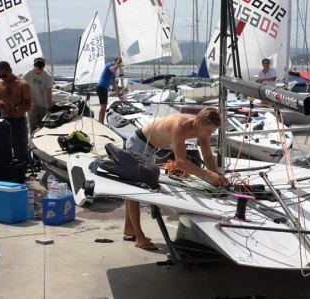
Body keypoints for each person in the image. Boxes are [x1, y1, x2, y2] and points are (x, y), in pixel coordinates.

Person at [123, 107, 227, 250]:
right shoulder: (178, 126)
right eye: (208, 131)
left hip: (151, 147)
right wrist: (209, 174)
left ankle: (129, 230)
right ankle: (139, 238)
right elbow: (181, 162)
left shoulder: (201, 126)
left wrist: (217, 178)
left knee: (136, 190)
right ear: (198, 123)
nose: (209, 135)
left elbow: (208, 156)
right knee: (135, 191)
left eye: (212, 132)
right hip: (139, 143)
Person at [0, 61, 32, 161]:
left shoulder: (23, 85)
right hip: (3, 121)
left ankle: (22, 173)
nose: (3, 78)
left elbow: (29, 106)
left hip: (19, 121)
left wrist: (15, 107)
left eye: (4, 75)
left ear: (10, 70)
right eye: (0, 76)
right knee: (2, 150)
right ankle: (7, 173)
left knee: (21, 151)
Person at [23, 57, 54, 132]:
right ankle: (32, 140)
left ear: (44, 66)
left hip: (43, 104)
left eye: (41, 68)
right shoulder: (27, 75)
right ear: (34, 66)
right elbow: (23, 89)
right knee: (32, 125)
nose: (39, 70)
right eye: (37, 68)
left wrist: (48, 106)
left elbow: (48, 92)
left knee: (43, 126)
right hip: (31, 104)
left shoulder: (48, 76)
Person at [97, 57, 122, 124]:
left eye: (119, 65)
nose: (119, 66)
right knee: (103, 106)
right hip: (101, 87)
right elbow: (112, 69)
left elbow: (114, 85)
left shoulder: (114, 73)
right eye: (118, 64)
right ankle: (100, 122)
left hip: (105, 88)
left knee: (104, 107)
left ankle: (101, 122)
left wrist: (118, 94)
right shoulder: (109, 65)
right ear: (115, 61)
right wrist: (117, 63)